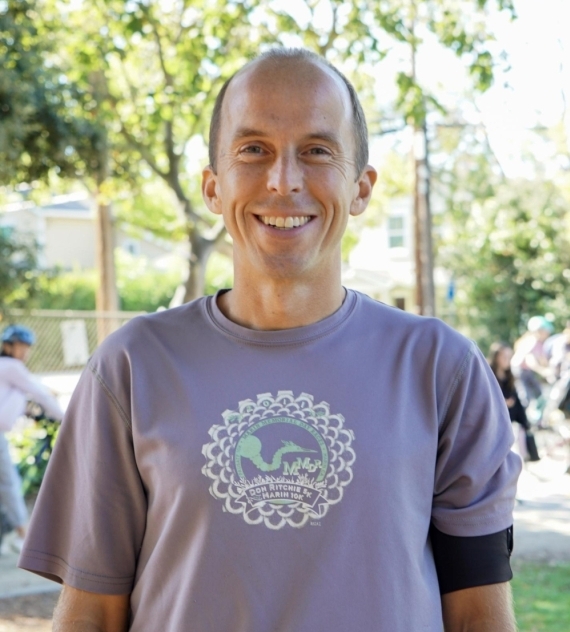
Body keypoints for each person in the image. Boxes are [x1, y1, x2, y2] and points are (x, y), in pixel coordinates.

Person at [19, 49, 521, 631]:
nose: (283, 180)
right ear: (213, 187)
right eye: (253, 150)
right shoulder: (131, 368)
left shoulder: (441, 368)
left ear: (361, 188)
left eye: (317, 151)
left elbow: (480, 616)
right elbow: (90, 615)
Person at [0, 325, 64, 553]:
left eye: (27, 347)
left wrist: (28, 411)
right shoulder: (11, 366)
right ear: (7, 347)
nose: (24, 352)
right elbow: (39, 392)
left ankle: (9, 534)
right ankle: (23, 535)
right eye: (19, 346)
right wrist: (66, 418)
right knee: (9, 483)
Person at [488, 341, 539, 462]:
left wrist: (524, 421)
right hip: (494, 421)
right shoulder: (488, 375)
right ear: (496, 357)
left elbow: (516, 399)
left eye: (508, 357)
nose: (507, 360)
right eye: (504, 356)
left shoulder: (510, 375)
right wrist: (501, 403)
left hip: (509, 418)